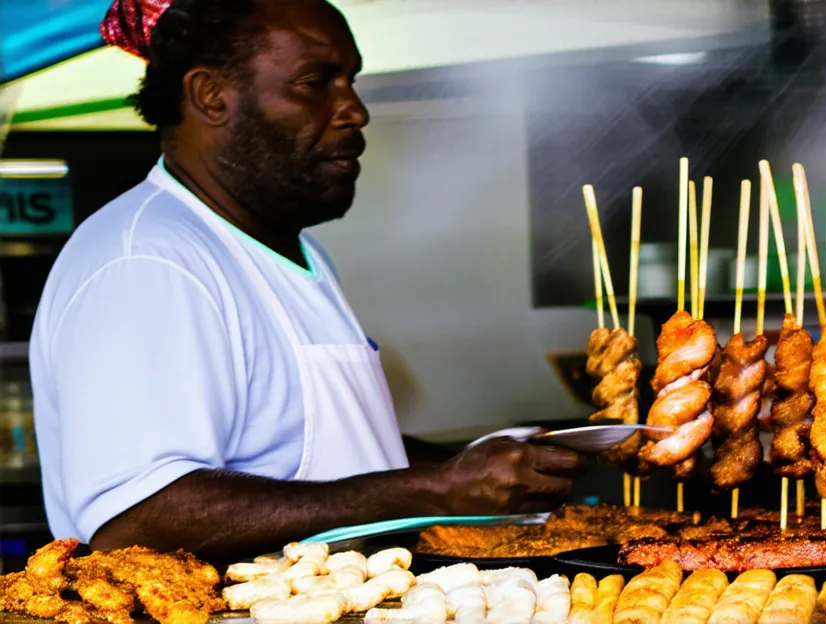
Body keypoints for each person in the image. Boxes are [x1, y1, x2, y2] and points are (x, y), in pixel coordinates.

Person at [29, 0, 583, 562]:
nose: (354, 111)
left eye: (351, 81)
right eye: (315, 82)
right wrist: (437, 487)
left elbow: (328, 458)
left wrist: (483, 462)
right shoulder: (148, 260)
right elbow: (136, 522)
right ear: (211, 95)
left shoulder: (294, 249)